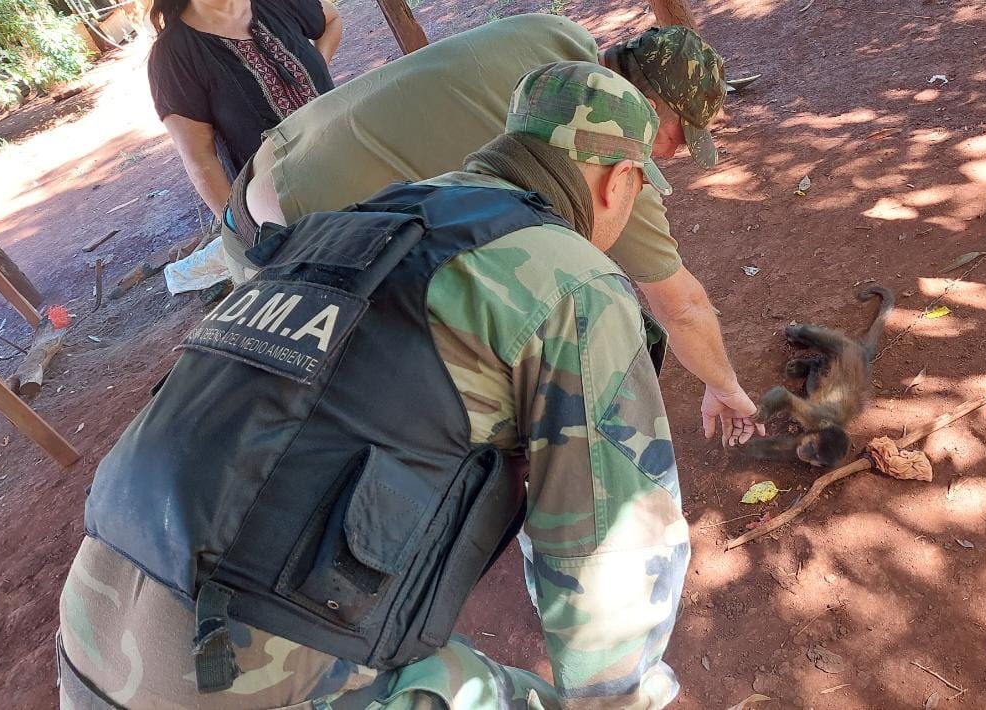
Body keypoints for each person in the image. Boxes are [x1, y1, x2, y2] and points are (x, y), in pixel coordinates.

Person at [59, 61, 688, 709]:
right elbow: (613, 548)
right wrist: (621, 695)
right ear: (619, 182)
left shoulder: (354, 225)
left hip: (89, 635)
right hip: (235, 679)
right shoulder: (571, 280)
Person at [223, 14, 765, 447]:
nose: (672, 155)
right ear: (648, 109)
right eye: (677, 137)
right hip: (292, 244)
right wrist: (726, 388)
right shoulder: (607, 148)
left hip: (270, 165)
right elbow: (681, 305)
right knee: (359, 420)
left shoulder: (556, 36)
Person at [148, 0, 343, 218]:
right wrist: (242, 230)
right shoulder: (173, 56)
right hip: (289, 208)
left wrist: (311, 69)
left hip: (350, 155)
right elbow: (200, 160)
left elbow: (332, 18)